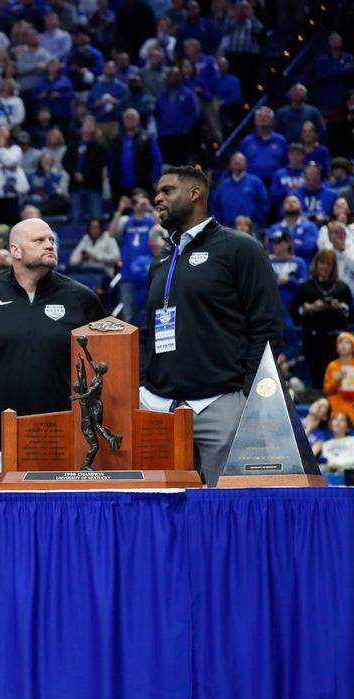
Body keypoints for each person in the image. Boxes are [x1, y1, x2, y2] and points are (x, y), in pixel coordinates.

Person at [141, 165, 284, 485]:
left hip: (222, 404)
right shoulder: (162, 259)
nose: (157, 198)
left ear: (195, 194)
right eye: (157, 192)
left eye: (166, 191)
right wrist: (142, 383)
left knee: (228, 515)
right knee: (164, 518)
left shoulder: (239, 248)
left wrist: (253, 394)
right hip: (162, 409)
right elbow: (148, 331)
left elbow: (267, 326)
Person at [0, 217, 105, 489]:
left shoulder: (82, 299)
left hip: (62, 443)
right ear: (15, 250)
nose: (49, 245)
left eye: (51, 240)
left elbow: (106, 362)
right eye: (39, 241)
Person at [289, 249, 353, 389]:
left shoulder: (342, 288)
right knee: (316, 380)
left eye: (329, 264)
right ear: (316, 264)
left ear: (333, 267)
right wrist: (309, 308)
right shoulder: (305, 287)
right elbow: (294, 312)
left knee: (339, 380)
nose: (325, 267)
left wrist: (340, 307)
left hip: (336, 341)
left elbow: (351, 315)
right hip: (313, 340)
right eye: (322, 263)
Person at [323, 331, 354, 426]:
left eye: (347, 342)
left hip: (353, 407)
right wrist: (337, 379)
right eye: (340, 342)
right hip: (335, 406)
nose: (343, 345)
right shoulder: (332, 366)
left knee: (345, 423)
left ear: (353, 346)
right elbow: (327, 391)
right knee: (336, 424)